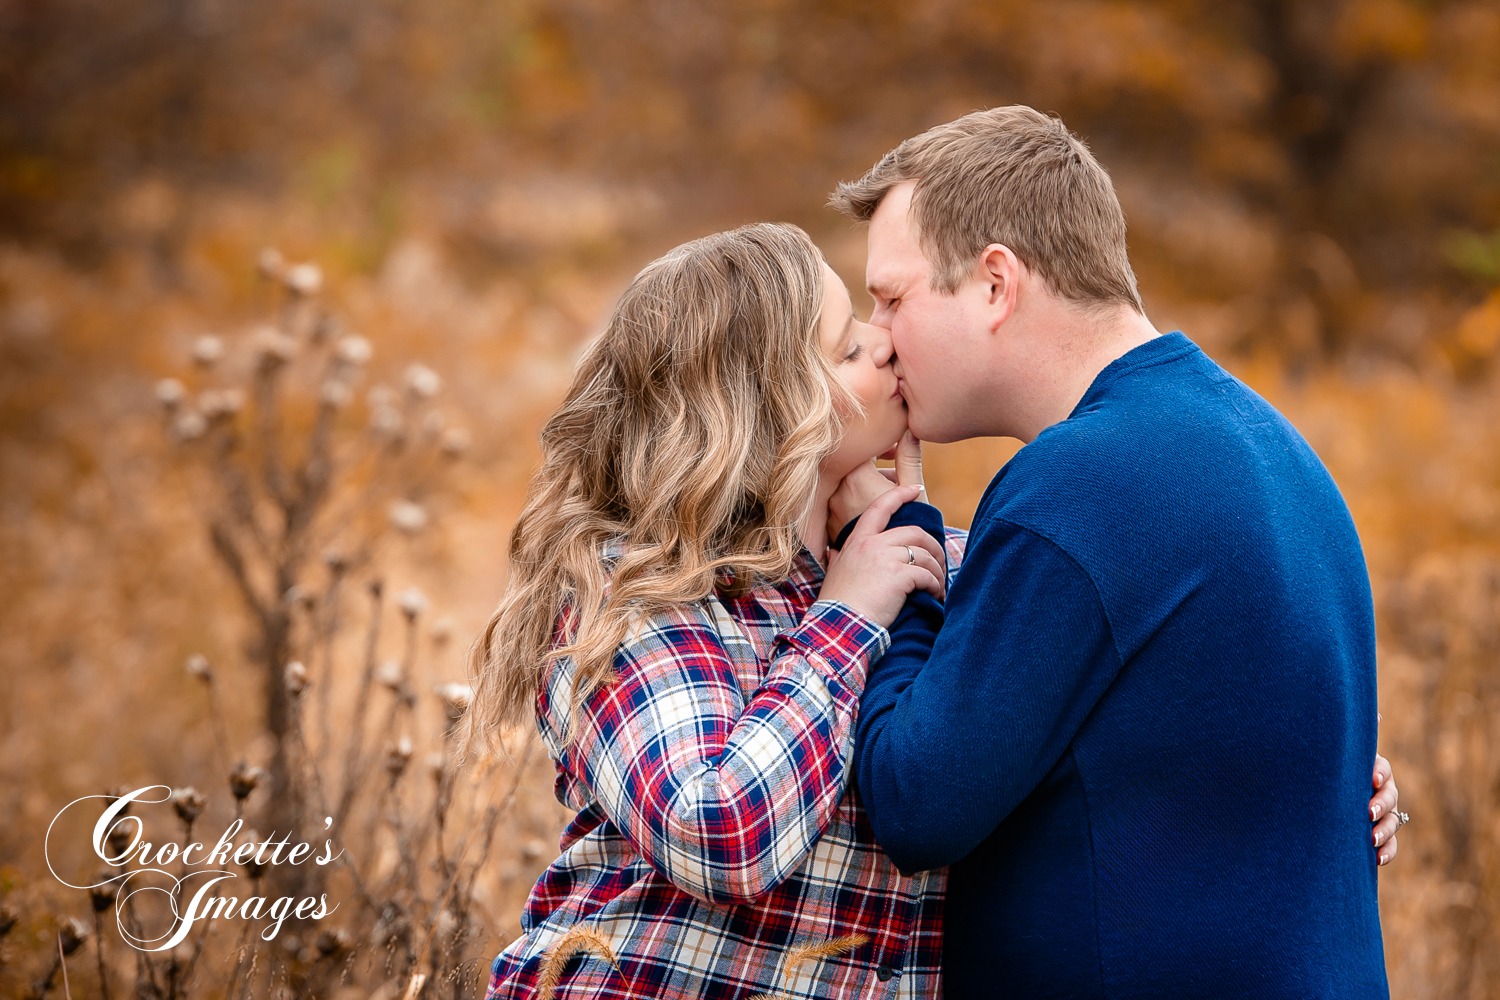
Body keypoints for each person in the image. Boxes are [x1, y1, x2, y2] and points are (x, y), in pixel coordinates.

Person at [828, 105, 1398, 998]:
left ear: (995, 285)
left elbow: (915, 801)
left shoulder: (1078, 484)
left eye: (892, 298)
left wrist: (902, 554)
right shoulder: (1274, 446)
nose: (882, 336)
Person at [460, 222, 960, 998]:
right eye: (846, 348)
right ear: (757, 410)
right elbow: (718, 832)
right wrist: (848, 621)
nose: (886, 341)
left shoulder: (917, 563)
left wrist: (897, 542)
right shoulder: (632, 590)